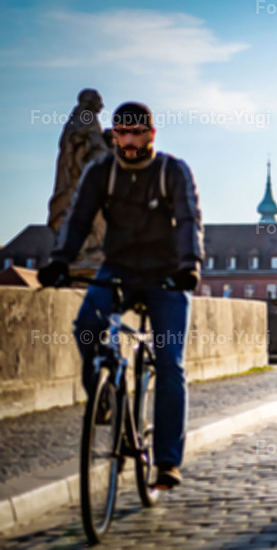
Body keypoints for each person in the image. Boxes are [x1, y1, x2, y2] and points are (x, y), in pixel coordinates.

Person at [38, 102, 203, 490]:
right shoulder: (102, 172)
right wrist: (60, 260)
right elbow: (78, 219)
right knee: (85, 326)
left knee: (170, 366)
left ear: (150, 134)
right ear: (114, 135)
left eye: (135, 133)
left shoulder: (171, 172)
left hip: (166, 274)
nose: (128, 141)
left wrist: (189, 265)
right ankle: (105, 391)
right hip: (119, 269)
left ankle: (165, 462)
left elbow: (188, 219)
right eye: (121, 134)